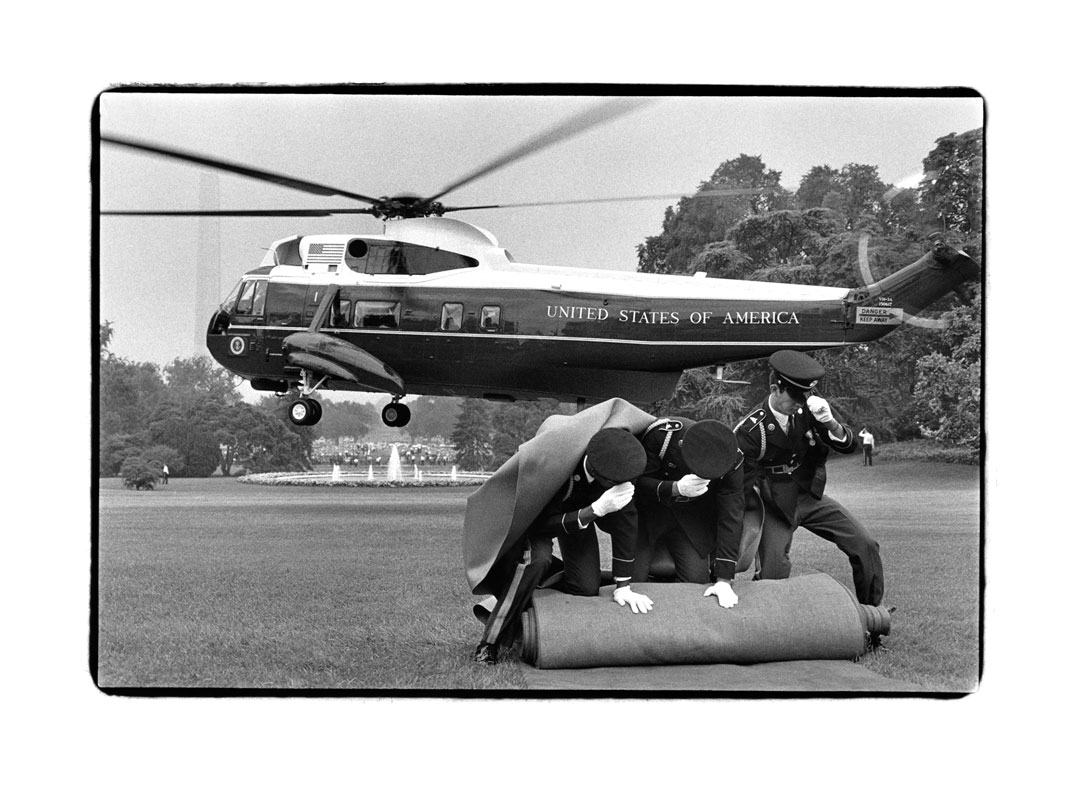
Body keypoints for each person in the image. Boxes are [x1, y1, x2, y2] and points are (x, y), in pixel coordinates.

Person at [470, 425, 654, 665]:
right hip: (536, 519)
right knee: (535, 560)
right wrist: (593, 511)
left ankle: (527, 590)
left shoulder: (619, 474)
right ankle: (489, 643)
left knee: (586, 587)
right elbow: (538, 524)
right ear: (601, 473)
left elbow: (627, 529)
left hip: (579, 519)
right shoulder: (556, 467)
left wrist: (623, 587)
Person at [734, 350, 884, 606]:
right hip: (773, 502)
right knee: (773, 572)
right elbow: (740, 485)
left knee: (865, 545)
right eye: (794, 397)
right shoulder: (751, 430)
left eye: (803, 397)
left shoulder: (810, 410)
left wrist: (831, 423)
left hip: (808, 494)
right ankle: (769, 625)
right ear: (775, 389)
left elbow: (849, 445)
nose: (799, 404)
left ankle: (872, 618)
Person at [633, 417, 745, 608]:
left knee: (697, 584)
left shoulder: (732, 459)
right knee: (633, 582)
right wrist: (674, 488)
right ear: (683, 445)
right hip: (649, 514)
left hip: (692, 518)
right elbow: (636, 484)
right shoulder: (663, 437)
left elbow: (731, 516)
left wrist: (724, 579)